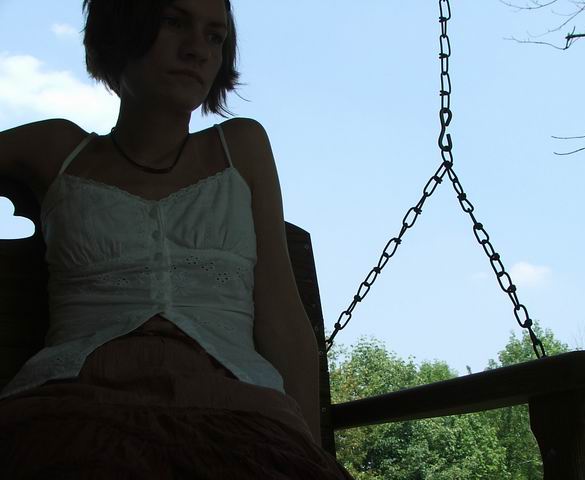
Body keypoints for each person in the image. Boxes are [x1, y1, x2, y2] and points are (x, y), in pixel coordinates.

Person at [0, 0, 355, 478]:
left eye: (215, 36)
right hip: (75, 407)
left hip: (239, 416)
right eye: (173, 22)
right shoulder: (58, 149)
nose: (198, 50)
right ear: (119, 32)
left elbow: (283, 317)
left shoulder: (241, 148)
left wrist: (310, 453)